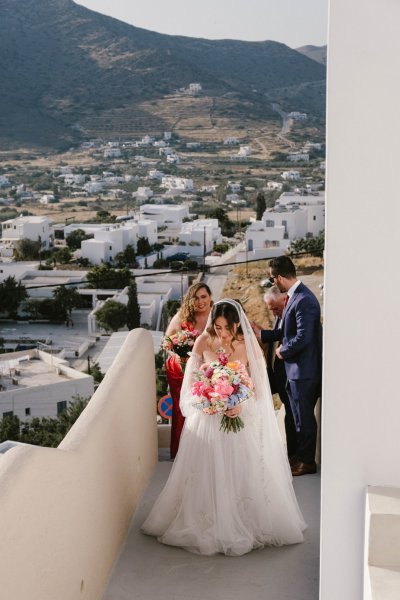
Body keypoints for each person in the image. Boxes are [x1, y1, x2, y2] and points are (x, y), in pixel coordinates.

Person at [142, 299, 306, 556]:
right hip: (208, 416)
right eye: (217, 327)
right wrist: (206, 398)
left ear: (237, 323)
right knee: (206, 467)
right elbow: (192, 382)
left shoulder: (247, 343)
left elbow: (256, 385)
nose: (222, 333)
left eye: (226, 327)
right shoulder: (203, 342)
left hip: (238, 412)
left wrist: (239, 403)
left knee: (240, 465)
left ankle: (244, 518)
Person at [253, 256, 322, 477]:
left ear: (280, 277)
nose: (274, 283)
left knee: (304, 419)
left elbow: (303, 336)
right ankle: (298, 458)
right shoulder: (296, 297)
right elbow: (289, 331)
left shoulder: (304, 300)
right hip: (296, 372)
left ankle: (307, 462)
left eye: (273, 279)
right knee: (297, 419)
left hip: (304, 372)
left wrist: (283, 350)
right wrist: (264, 335)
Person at [164, 282, 213, 458]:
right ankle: (180, 453)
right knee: (182, 408)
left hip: (208, 368)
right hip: (180, 370)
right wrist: (177, 355)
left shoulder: (217, 315)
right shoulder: (182, 317)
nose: (200, 302)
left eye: (204, 297)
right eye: (196, 298)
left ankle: (203, 453)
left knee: (207, 407)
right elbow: (167, 342)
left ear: (210, 297)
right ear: (189, 301)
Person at [261, 286, 298, 462]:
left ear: (284, 300)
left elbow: (284, 335)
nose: (274, 313)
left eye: (275, 308)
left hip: (290, 376)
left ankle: (293, 457)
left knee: (292, 418)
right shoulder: (279, 317)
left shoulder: (292, 317)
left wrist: (262, 334)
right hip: (278, 376)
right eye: (271, 310)